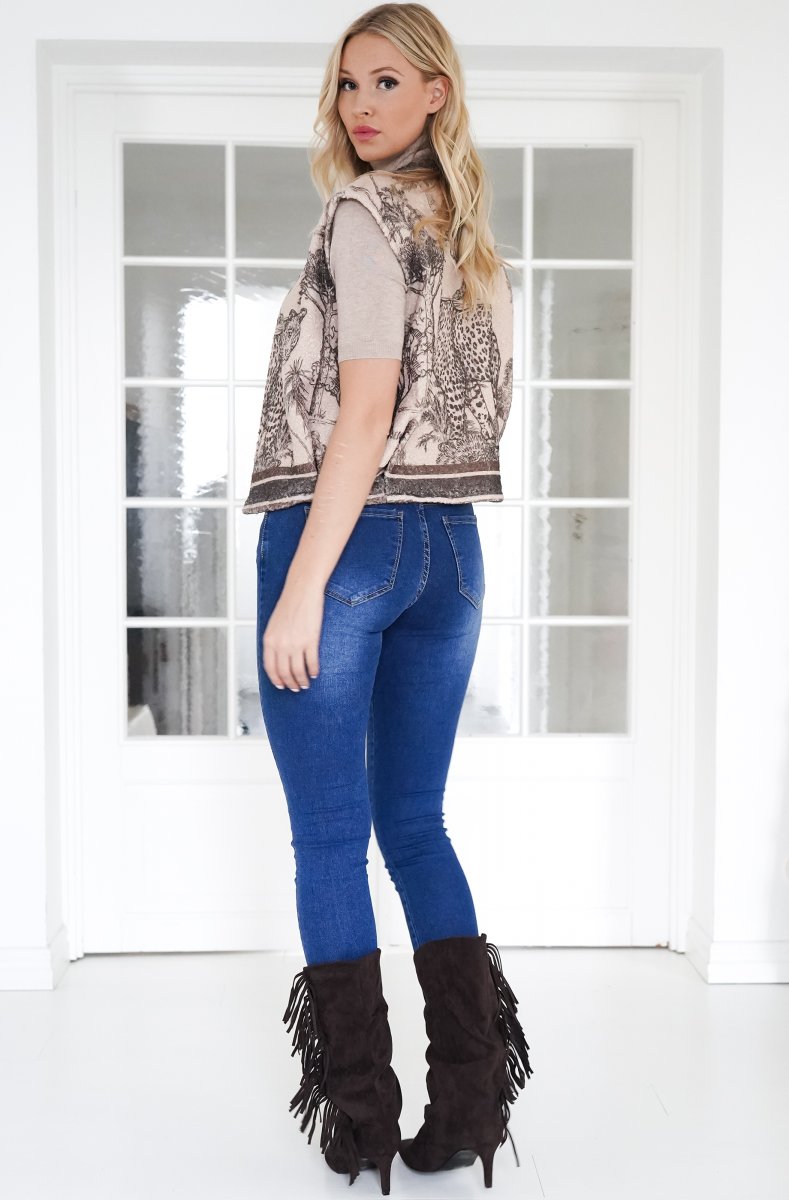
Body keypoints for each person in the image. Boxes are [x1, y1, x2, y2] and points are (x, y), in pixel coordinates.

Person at [242, 3, 534, 1193]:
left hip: (348, 542)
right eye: (348, 83)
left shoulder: (363, 216)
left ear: (436, 95)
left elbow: (364, 415)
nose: (361, 104)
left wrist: (303, 587)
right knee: (415, 824)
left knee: (330, 838)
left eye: (388, 81)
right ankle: (467, 1106)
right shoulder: (474, 241)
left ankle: (361, 1121)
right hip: (452, 551)